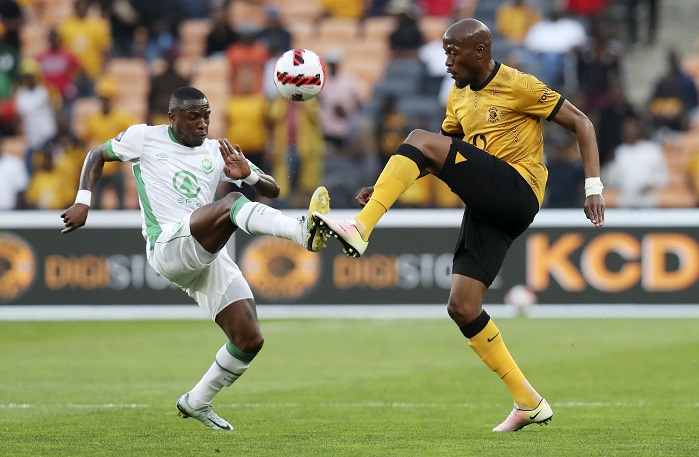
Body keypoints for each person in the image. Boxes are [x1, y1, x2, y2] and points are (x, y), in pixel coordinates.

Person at [313, 19, 605, 432]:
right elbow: (430, 153)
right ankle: (528, 402)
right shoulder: (458, 97)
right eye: (445, 52)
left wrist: (593, 187)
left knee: (418, 136)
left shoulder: (518, 84)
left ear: (480, 52)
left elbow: (583, 123)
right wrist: (382, 184)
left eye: (454, 53)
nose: (447, 61)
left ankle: (361, 228)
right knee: (463, 306)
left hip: (518, 190)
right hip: (488, 206)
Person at [60, 86, 331, 430]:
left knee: (249, 339)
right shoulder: (144, 138)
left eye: (206, 116)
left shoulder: (218, 151)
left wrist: (247, 174)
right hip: (169, 245)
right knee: (232, 203)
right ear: (172, 117)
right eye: (193, 116)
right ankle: (301, 231)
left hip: (205, 252)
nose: (202, 123)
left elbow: (273, 188)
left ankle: (196, 401)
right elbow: (97, 154)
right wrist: (84, 199)